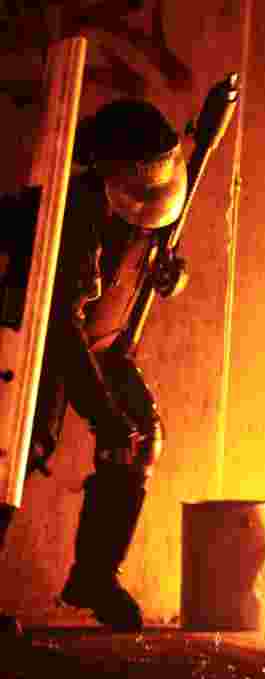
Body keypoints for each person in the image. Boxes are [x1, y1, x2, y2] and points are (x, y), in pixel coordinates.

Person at [0, 98, 188, 634]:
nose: (150, 185)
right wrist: (102, 412)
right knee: (14, 452)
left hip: (102, 346)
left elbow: (149, 253)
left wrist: (173, 275)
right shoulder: (73, 212)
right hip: (43, 344)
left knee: (138, 439)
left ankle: (95, 576)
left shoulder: (143, 205)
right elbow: (60, 324)